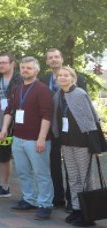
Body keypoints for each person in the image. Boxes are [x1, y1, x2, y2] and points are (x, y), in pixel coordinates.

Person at [0, 56, 54, 220]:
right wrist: (3, 130)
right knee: (23, 172)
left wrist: (42, 138)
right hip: (18, 139)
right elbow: (9, 111)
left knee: (41, 173)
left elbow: (47, 115)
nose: (25, 70)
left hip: (36, 139)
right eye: (23, 68)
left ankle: (45, 204)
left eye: (29, 68)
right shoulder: (17, 89)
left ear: (36, 70)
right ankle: (29, 199)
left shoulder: (42, 89)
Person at [53, 66, 105, 226]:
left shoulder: (79, 94)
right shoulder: (58, 95)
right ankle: (76, 209)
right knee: (73, 178)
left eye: (66, 75)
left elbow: (91, 119)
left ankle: (88, 213)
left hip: (83, 143)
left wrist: (94, 146)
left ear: (72, 78)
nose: (62, 77)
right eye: (60, 75)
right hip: (67, 142)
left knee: (85, 178)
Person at [40, 48, 87, 210]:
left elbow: (83, 105)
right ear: (46, 62)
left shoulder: (77, 77)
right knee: (53, 163)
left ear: (61, 58)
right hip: (51, 126)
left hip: (71, 129)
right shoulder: (43, 79)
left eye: (56, 57)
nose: (53, 60)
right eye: (50, 58)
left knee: (71, 165)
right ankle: (58, 197)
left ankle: (72, 200)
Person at [0, 53, 22, 198]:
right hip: (0, 120)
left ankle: (29, 192)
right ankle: (4, 186)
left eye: (4, 62)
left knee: (22, 156)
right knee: (3, 155)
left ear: (12, 63)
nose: (1, 65)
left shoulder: (20, 79)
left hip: (18, 121)